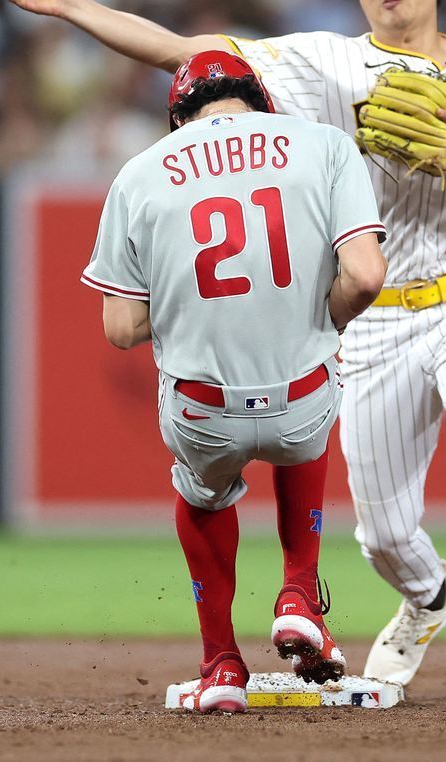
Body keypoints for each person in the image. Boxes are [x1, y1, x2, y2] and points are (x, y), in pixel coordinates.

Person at [0, 0, 446, 705]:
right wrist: (67, 5)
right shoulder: (325, 66)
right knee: (381, 534)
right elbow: (187, 52)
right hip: (376, 317)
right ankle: (428, 598)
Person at [81, 50, 387, 713]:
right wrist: (317, 321)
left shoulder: (139, 174)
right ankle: (299, 592)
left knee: (201, 493)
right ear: (260, 100)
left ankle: (221, 668)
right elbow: (365, 276)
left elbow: (122, 328)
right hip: (302, 403)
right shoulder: (324, 146)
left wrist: (187, 300)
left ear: (178, 117)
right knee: (310, 400)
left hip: (202, 413)